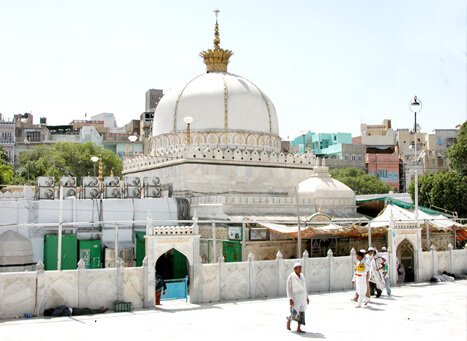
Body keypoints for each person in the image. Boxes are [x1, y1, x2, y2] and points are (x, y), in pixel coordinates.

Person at [286, 262, 309, 333]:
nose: (301, 269)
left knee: (302, 313)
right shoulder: (291, 276)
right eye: (299, 267)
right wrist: (290, 298)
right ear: (295, 269)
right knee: (294, 313)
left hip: (302, 297)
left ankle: (299, 328)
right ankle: (289, 321)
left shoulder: (302, 276)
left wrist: (307, 297)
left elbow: (305, 287)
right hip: (295, 298)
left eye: (301, 267)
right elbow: (288, 288)